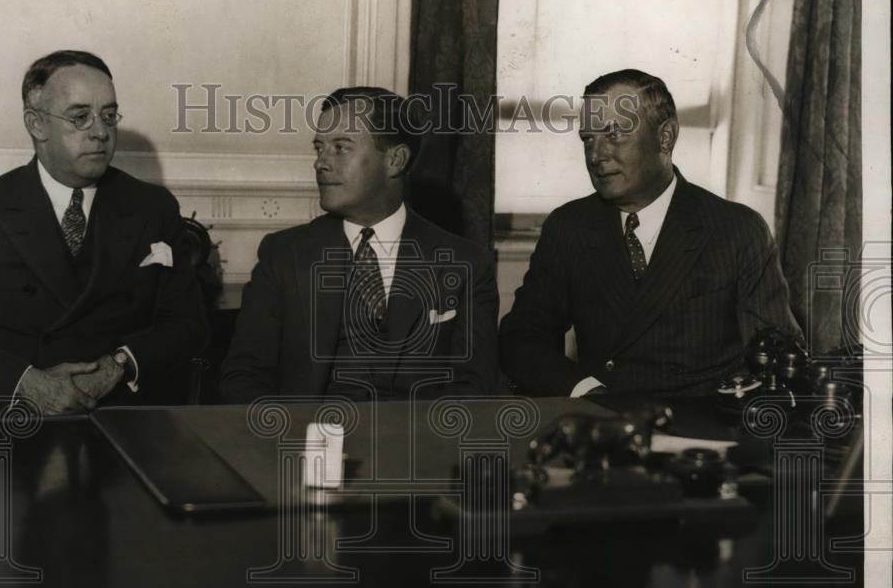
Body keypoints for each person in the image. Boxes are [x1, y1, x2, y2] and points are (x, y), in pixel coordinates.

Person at [0, 50, 208, 413]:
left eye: (109, 115)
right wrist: (28, 384)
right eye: (80, 117)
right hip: (5, 424)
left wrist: (118, 365)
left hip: (116, 418)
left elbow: (189, 324)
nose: (101, 132)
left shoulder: (153, 208)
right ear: (37, 124)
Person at [499, 68, 801, 397]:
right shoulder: (569, 227)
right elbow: (522, 338)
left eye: (614, 134)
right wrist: (583, 390)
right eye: (588, 139)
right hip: (605, 423)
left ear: (665, 137)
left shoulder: (737, 230)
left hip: (702, 432)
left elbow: (777, 357)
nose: (596, 155)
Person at [220, 87, 500, 403]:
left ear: (395, 160)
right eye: (319, 148)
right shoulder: (283, 255)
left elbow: (474, 387)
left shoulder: (466, 265)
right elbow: (244, 376)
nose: (321, 164)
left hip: (418, 444)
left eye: (341, 148)